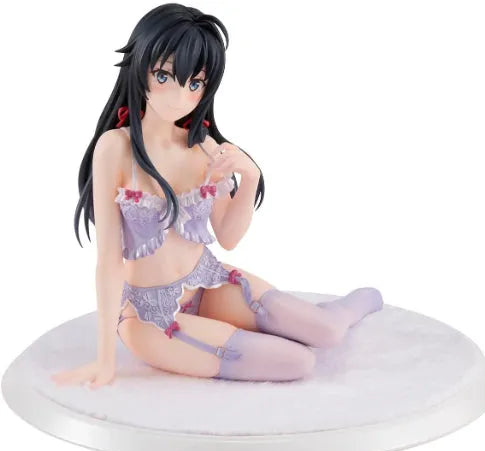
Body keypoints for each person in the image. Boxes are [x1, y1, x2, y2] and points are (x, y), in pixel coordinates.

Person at [51, 3, 383, 389]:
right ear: (140, 68)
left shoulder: (204, 147)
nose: (179, 97)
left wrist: (251, 176)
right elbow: (108, 261)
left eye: (194, 84)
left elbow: (228, 236)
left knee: (326, 332)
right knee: (298, 361)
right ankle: (290, 325)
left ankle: (338, 313)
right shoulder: (115, 148)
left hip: (208, 284)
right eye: (164, 76)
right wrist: (104, 361)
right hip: (149, 317)